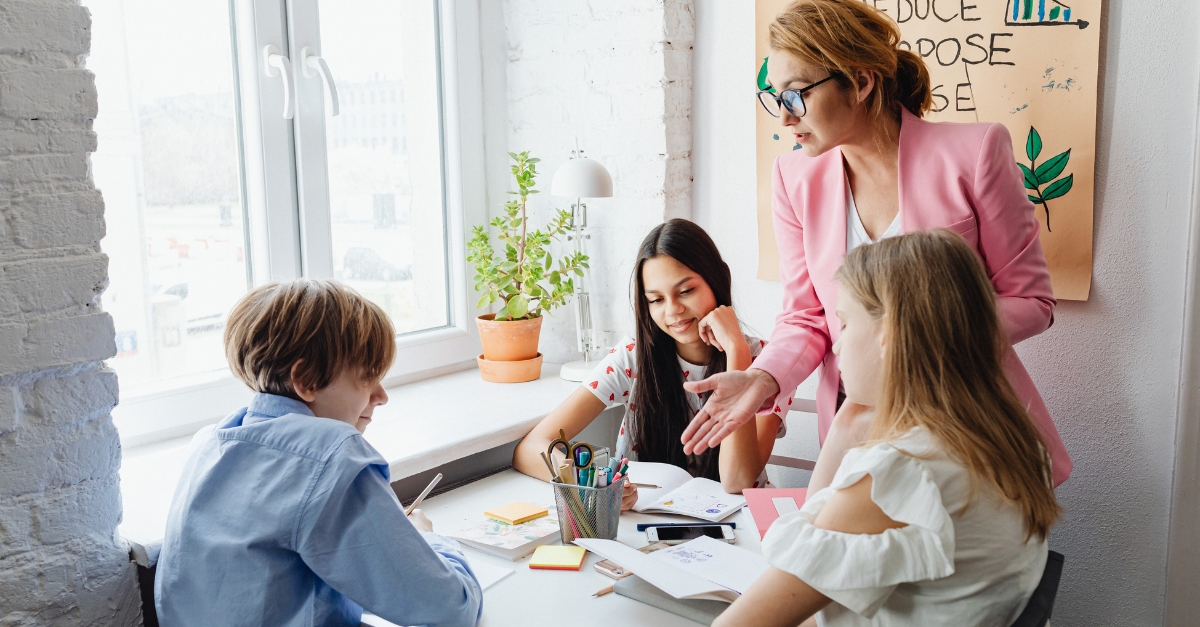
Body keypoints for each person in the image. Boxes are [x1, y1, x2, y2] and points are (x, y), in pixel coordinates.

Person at [680, 0, 1071, 489]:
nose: (783, 117)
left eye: (796, 94)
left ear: (862, 83)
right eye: (774, 97)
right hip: (856, 426)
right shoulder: (793, 177)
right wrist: (763, 378)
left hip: (962, 420)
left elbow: (1032, 302)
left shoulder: (975, 152)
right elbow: (806, 317)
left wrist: (918, 332)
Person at [714, 230, 1062, 627]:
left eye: (844, 324)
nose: (838, 347)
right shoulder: (1012, 441)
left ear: (889, 333)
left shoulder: (902, 470)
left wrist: (846, 430)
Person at [155, 280, 483, 627]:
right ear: (307, 379)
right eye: (368, 377)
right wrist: (425, 541)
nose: (381, 395)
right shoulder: (330, 456)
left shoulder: (210, 445)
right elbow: (451, 609)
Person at [512, 219, 793, 505]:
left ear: (718, 279)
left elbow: (738, 481)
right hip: (649, 527)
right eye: (656, 300)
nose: (673, 311)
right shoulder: (633, 357)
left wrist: (737, 352)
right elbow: (531, 448)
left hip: (741, 526)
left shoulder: (766, 365)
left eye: (686, 291)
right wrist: (593, 487)